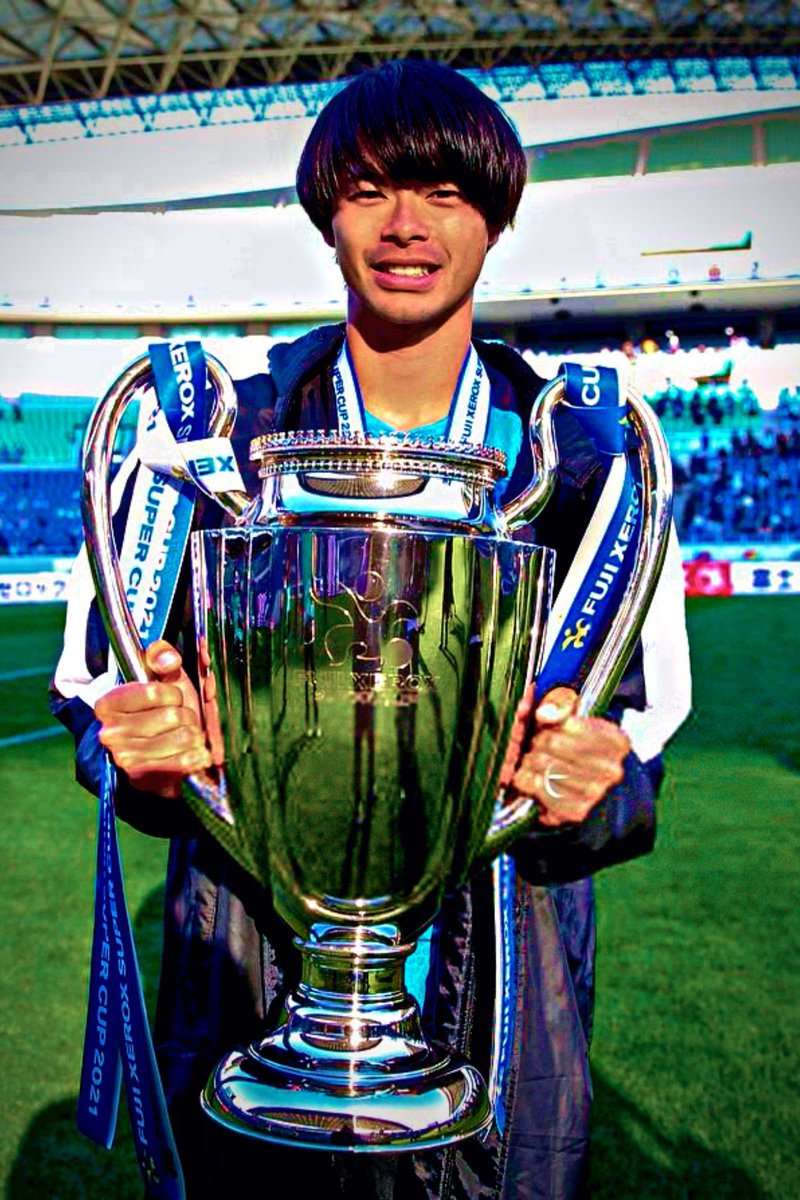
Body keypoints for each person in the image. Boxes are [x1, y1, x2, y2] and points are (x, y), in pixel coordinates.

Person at [51, 60, 690, 1200]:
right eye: (368, 190)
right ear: (325, 216)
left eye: (444, 193)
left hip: (503, 1019)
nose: (405, 225)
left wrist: (597, 786)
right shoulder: (211, 439)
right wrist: (134, 751)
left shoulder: (584, 459)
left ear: (495, 218)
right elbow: (108, 692)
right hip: (252, 1004)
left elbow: (635, 747)